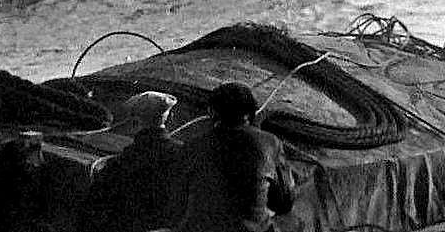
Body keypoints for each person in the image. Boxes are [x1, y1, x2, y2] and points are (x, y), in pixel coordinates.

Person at [175, 82, 296, 232]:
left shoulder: (193, 145)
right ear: (252, 112)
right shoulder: (269, 143)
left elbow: (177, 203)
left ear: (211, 112)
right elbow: (284, 203)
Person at [79, 92, 185, 232]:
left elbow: (93, 210)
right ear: (169, 118)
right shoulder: (186, 155)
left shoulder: (121, 164)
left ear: (134, 123)